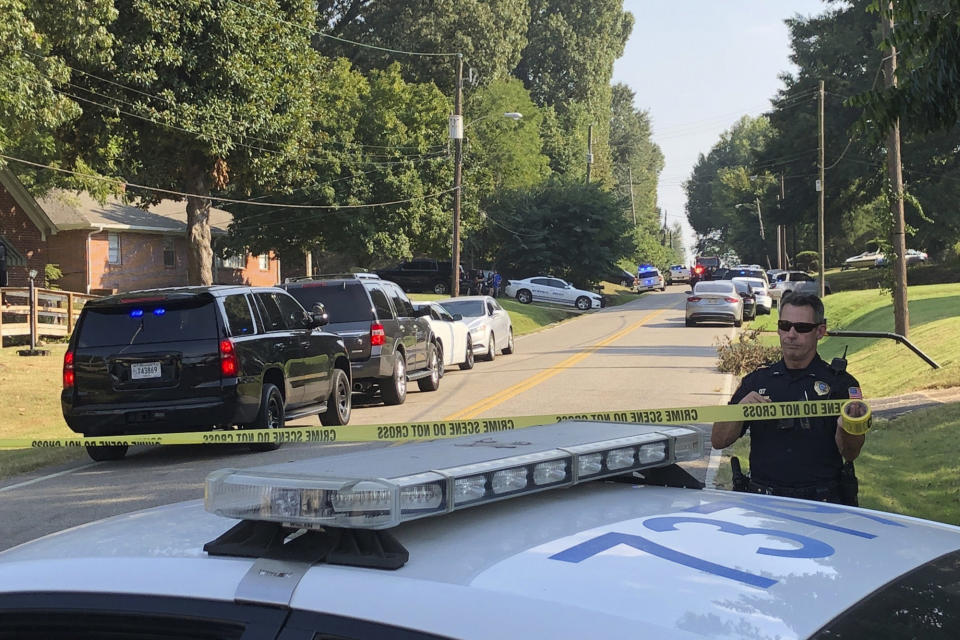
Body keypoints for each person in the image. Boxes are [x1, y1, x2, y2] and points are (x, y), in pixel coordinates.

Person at [711, 293, 867, 505]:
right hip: (763, 500)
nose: (791, 334)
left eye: (802, 328)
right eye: (785, 326)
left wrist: (847, 427)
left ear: (820, 331)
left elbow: (850, 453)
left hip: (822, 502)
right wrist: (740, 410)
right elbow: (718, 441)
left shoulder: (841, 385)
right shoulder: (756, 381)